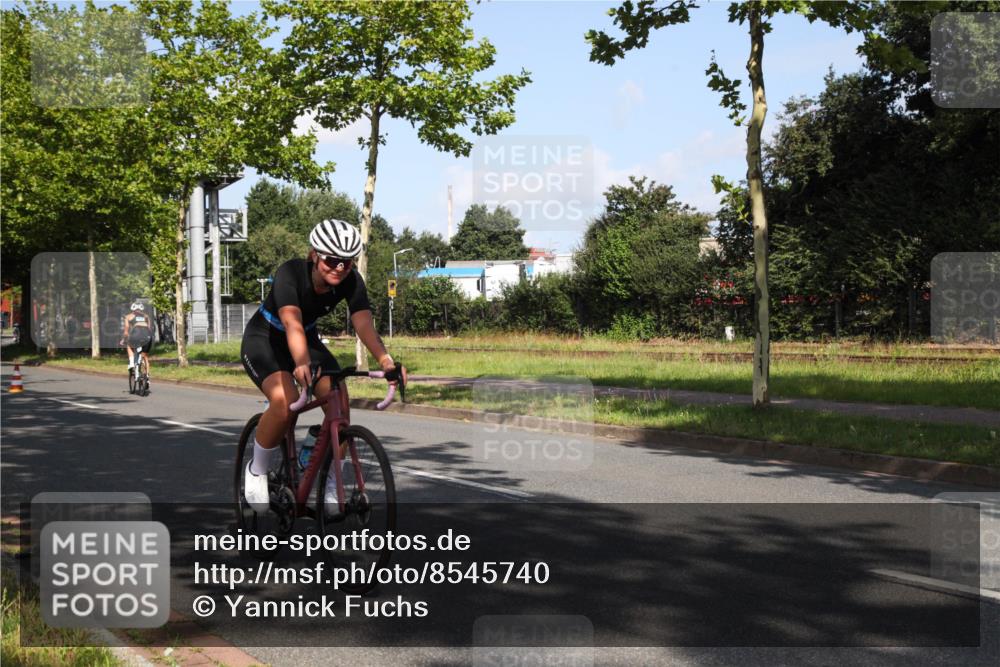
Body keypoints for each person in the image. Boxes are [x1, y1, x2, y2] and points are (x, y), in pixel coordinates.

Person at [240, 219, 405, 512]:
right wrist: (301, 361)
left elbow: (363, 324)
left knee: (339, 402)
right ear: (314, 255)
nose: (339, 268)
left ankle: (331, 482)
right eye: (331, 260)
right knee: (285, 401)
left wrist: (386, 360)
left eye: (347, 262)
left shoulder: (351, 281)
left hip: (307, 339)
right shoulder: (290, 273)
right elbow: (291, 322)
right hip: (266, 338)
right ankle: (256, 469)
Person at [121, 302, 153, 377]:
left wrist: (124, 339)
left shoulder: (128, 316)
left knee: (129, 345)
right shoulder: (146, 316)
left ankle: (132, 363)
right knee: (145, 356)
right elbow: (149, 329)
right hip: (147, 335)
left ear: (132, 309)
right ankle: (147, 377)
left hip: (136, 334)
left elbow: (126, 332)